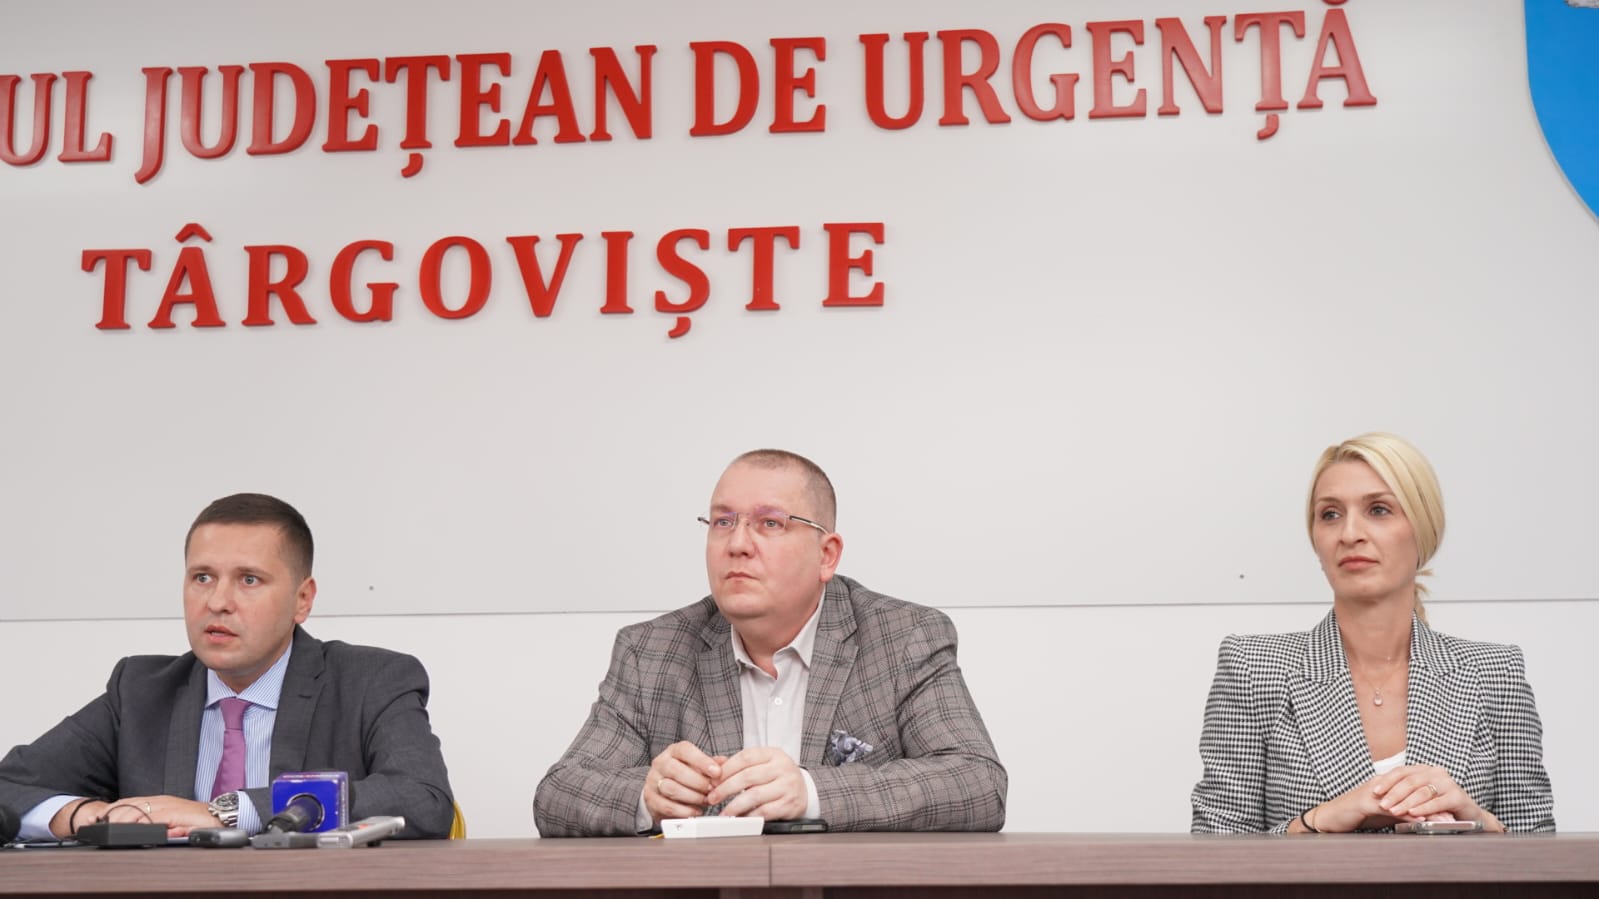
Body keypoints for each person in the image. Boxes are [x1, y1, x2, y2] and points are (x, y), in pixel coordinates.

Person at [534, 449, 1006, 836]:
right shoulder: (652, 652)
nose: (737, 544)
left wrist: (811, 792)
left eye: (770, 523)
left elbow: (979, 782)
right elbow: (558, 794)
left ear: (827, 555)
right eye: (722, 522)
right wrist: (647, 796)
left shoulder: (903, 638)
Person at [0, 493, 455, 840]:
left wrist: (230, 812)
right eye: (202, 577)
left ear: (302, 599)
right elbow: (9, 784)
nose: (218, 602)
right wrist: (85, 816)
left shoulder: (371, 681)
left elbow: (423, 798)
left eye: (248, 580)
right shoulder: (139, 691)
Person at [1190, 433, 1555, 833]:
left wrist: (1479, 822)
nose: (1349, 534)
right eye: (1330, 514)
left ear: (1423, 529)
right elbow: (1216, 848)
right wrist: (1317, 821)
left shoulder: (1495, 673)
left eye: (1378, 510)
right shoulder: (1252, 669)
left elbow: (1541, 851)